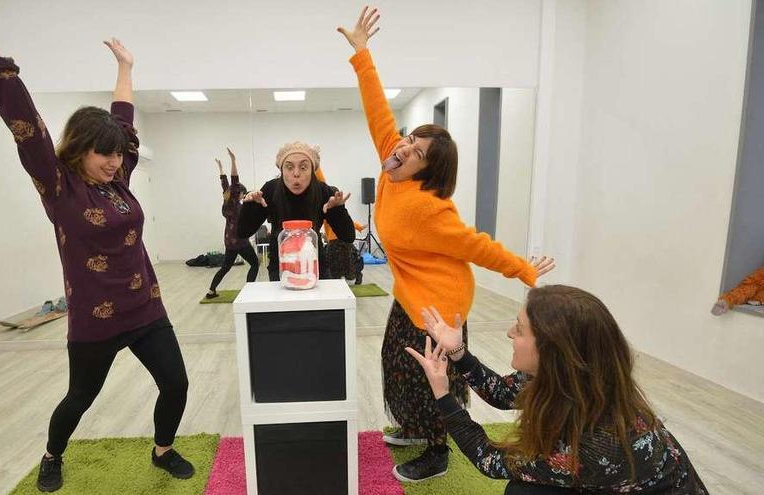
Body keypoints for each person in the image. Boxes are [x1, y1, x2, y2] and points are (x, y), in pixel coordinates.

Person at [0, 0, 193, 491]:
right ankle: (52, 454)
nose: (113, 161)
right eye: (103, 153)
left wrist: (125, 68)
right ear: (79, 148)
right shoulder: (57, 185)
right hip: (94, 319)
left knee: (177, 382)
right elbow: (23, 118)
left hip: (144, 306)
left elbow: (122, 119)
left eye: (117, 154)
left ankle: (162, 449)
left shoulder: (117, 176)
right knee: (79, 398)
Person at [338, 6, 555, 481]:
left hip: (439, 303)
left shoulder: (430, 208)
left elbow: (476, 246)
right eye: (409, 141)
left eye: (415, 152)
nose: (403, 149)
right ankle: (418, 427)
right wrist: (362, 53)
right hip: (409, 293)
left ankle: (437, 449)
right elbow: (378, 109)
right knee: (396, 365)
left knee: (428, 377)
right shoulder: (391, 160)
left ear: (427, 170)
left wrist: (525, 270)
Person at [407, 285, 709, 494]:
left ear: (553, 350)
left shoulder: (597, 444)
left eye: (520, 329)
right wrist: (458, 352)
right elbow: (502, 393)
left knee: (523, 492)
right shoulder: (573, 378)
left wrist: (444, 396)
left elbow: (490, 460)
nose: (510, 333)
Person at [237, 141, 356, 281]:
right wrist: (250, 206)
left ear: (312, 170)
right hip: (280, 269)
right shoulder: (270, 190)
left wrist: (338, 209)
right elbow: (242, 232)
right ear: (281, 170)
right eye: (289, 167)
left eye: (304, 167)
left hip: (316, 268)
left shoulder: (323, 191)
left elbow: (348, 236)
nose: (296, 173)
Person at [206, 148, 259, 299]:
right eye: (242, 193)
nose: (243, 195)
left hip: (229, 241)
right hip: (240, 241)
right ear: (239, 193)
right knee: (255, 264)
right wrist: (233, 160)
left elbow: (225, 184)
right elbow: (234, 181)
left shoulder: (226, 202)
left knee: (225, 267)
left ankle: (211, 291)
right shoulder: (235, 204)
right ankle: (249, 291)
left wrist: (220, 168)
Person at [314, 167, 366, 284]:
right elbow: (351, 223)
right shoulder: (332, 210)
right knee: (347, 261)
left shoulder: (331, 211)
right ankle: (353, 276)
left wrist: (317, 167)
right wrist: (360, 227)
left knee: (335, 262)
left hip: (336, 242)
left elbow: (322, 182)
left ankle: (341, 278)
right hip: (341, 241)